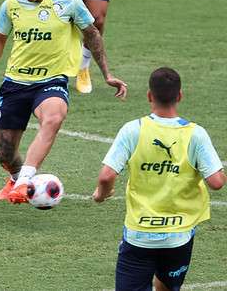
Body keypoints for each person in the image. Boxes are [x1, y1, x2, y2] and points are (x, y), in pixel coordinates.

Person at [0, 0, 127, 204]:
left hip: (51, 81)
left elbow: (92, 35)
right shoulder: (11, 5)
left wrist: (106, 74)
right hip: (16, 83)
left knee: (53, 117)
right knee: (5, 153)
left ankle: (26, 180)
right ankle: (16, 177)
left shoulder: (68, 2)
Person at [93, 67, 225, 291]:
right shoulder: (196, 134)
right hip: (179, 235)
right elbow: (216, 182)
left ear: (149, 96)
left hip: (140, 234)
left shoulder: (133, 130)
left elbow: (106, 176)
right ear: (180, 96)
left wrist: (100, 195)